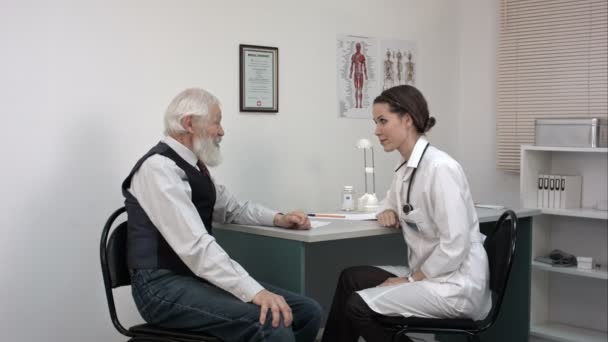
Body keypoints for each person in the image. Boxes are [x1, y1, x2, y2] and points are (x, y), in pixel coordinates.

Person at [122, 88, 323, 342]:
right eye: (216, 121)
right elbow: (196, 247)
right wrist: (254, 292)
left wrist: (279, 218)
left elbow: (232, 208)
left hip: (193, 279)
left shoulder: (193, 165)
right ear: (189, 123)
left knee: (307, 312)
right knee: (272, 322)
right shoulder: (159, 169)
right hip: (159, 288)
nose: (221, 131)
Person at [321, 85, 491, 342]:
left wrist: (410, 279)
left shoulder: (440, 168)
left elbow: (455, 245)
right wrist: (386, 210)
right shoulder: (405, 168)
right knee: (351, 278)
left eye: (383, 121)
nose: (377, 131)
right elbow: (387, 203)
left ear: (407, 119)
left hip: (455, 285)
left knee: (358, 305)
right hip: (430, 276)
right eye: (375, 122)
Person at [349, 42, 368, 109]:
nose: (358, 48)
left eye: (359, 47)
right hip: (355, 74)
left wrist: (366, 75)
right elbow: (351, 65)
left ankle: (360, 104)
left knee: (360, 89)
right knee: (356, 89)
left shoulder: (362, 56)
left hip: (361, 74)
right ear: (355, 48)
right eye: (357, 47)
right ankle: (357, 104)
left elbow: (364, 66)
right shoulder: (353, 56)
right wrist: (350, 73)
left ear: (360, 48)